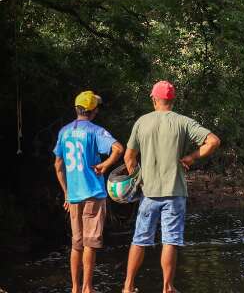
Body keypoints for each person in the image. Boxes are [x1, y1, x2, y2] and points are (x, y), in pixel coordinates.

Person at [122, 80, 221, 293]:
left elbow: (129, 157)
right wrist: (191, 158)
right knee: (170, 240)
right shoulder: (183, 122)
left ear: (154, 99)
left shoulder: (142, 122)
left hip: (148, 192)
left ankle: (128, 287)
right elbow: (213, 141)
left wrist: (137, 179)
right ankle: (167, 287)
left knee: (139, 239)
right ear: (173, 100)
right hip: (175, 192)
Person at [53, 91, 124, 293]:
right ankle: (87, 288)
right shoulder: (96, 131)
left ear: (76, 109)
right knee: (90, 244)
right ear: (93, 112)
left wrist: (66, 192)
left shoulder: (64, 132)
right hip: (93, 192)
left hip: (73, 196)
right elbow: (118, 149)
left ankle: (75, 289)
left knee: (76, 244)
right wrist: (105, 164)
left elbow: (58, 165)